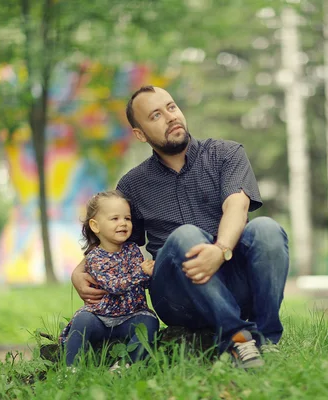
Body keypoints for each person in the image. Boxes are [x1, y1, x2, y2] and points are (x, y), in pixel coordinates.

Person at [71, 85, 289, 369]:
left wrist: (220, 250)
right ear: (140, 134)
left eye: (171, 107)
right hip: (177, 295)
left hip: (234, 278)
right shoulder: (133, 185)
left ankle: (266, 340)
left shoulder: (225, 154)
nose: (170, 117)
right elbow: (114, 239)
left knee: (268, 230)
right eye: (156, 115)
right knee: (186, 235)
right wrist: (80, 269)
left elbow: (236, 206)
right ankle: (238, 338)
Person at [60, 190, 160, 367]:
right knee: (82, 320)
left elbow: (142, 283)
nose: (123, 223)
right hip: (100, 318)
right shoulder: (95, 257)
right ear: (96, 226)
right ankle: (70, 367)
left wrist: (150, 273)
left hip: (131, 315)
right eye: (115, 219)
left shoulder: (133, 250)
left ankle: (126, 366)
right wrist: (141, 272)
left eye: (127, 218)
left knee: (150, 322)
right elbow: (114, 286)